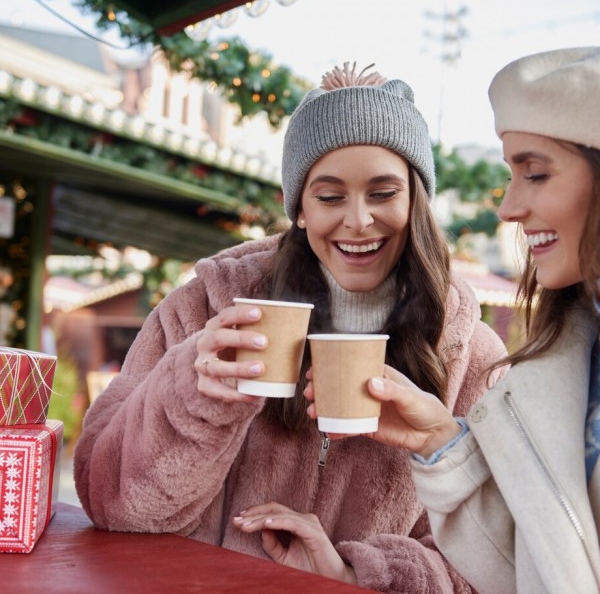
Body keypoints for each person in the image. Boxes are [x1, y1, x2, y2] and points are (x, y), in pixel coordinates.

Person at [73, 62, 506, 593]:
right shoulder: (204, 309)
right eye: (329, 197)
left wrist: (356, 574)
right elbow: (109, 502)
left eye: (382, 193)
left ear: (415, 201)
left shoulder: (470, 353)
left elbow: (494, 564)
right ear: (299, 207)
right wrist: (191, 394)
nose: (358, 220)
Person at [352, 47, 600, 594]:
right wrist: (442, 444)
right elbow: (548, 568)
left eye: (535, 174)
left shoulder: (479, 351)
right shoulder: (563, 365)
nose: (508, 207)